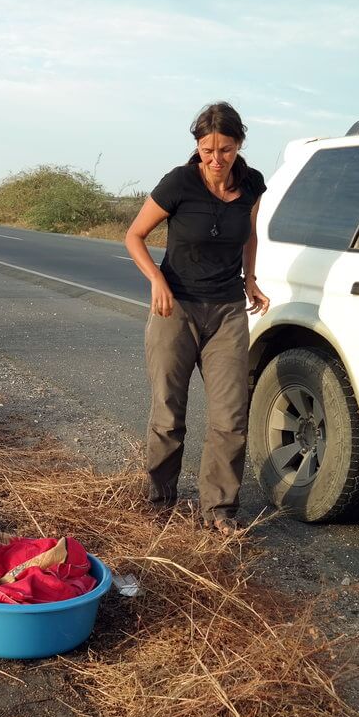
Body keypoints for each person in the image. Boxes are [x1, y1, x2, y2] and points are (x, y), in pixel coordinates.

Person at [124, 102, 270, 533]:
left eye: (225, 149)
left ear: (238, 145)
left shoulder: (252, 184)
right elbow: (134, 235)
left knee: (231, 417)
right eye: (207, 149)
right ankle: (159, 500)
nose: (215, 159)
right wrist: (156, 279)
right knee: (169, 412)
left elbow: (250, 234)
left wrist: (251, 281)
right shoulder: (179, 183)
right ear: (197, 147)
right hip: (176, 308)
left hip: (226, 313)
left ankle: (219, 511)